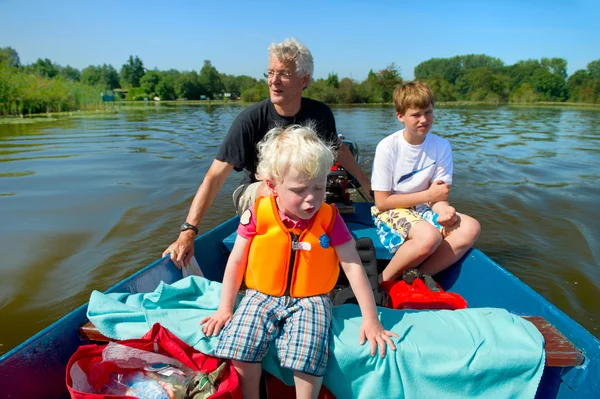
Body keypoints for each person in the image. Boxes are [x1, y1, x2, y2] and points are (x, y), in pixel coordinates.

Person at [201, 125, 397, 399]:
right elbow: (236, 260)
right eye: (299, 189)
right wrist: (225, 307)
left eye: (319, 187)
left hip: (312, 299)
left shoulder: (329, 218)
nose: (311, 199)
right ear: (272, 186)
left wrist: (371, 319)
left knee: (308, 357)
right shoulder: (258, 211)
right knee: (241, 348)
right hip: (260, 294)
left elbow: (352, 265)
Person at [162, 37, 371, 268]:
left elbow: (337, 149)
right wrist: (188, 231)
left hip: (297, 193)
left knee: (316, 190)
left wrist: (365, 183)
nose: (273, 81)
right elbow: (215, 176)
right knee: (276, 191)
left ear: (304, 80)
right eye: (270, 73)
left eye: (283, 74)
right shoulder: (250, 120)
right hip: (257, 191)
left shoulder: (320, 114)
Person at [370, 81, 481, 282]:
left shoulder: (441, 146)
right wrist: (429, 196)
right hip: (391, 210)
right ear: (400, 116)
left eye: (428, 112)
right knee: (430, 237)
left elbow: (438, 198)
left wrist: (444, 211)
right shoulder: (388, 147)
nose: (424, 120)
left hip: (423, 209)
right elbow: (382, 202)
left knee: (471, 227)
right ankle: (382, 280)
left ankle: (418, 277)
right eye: (416, 115)